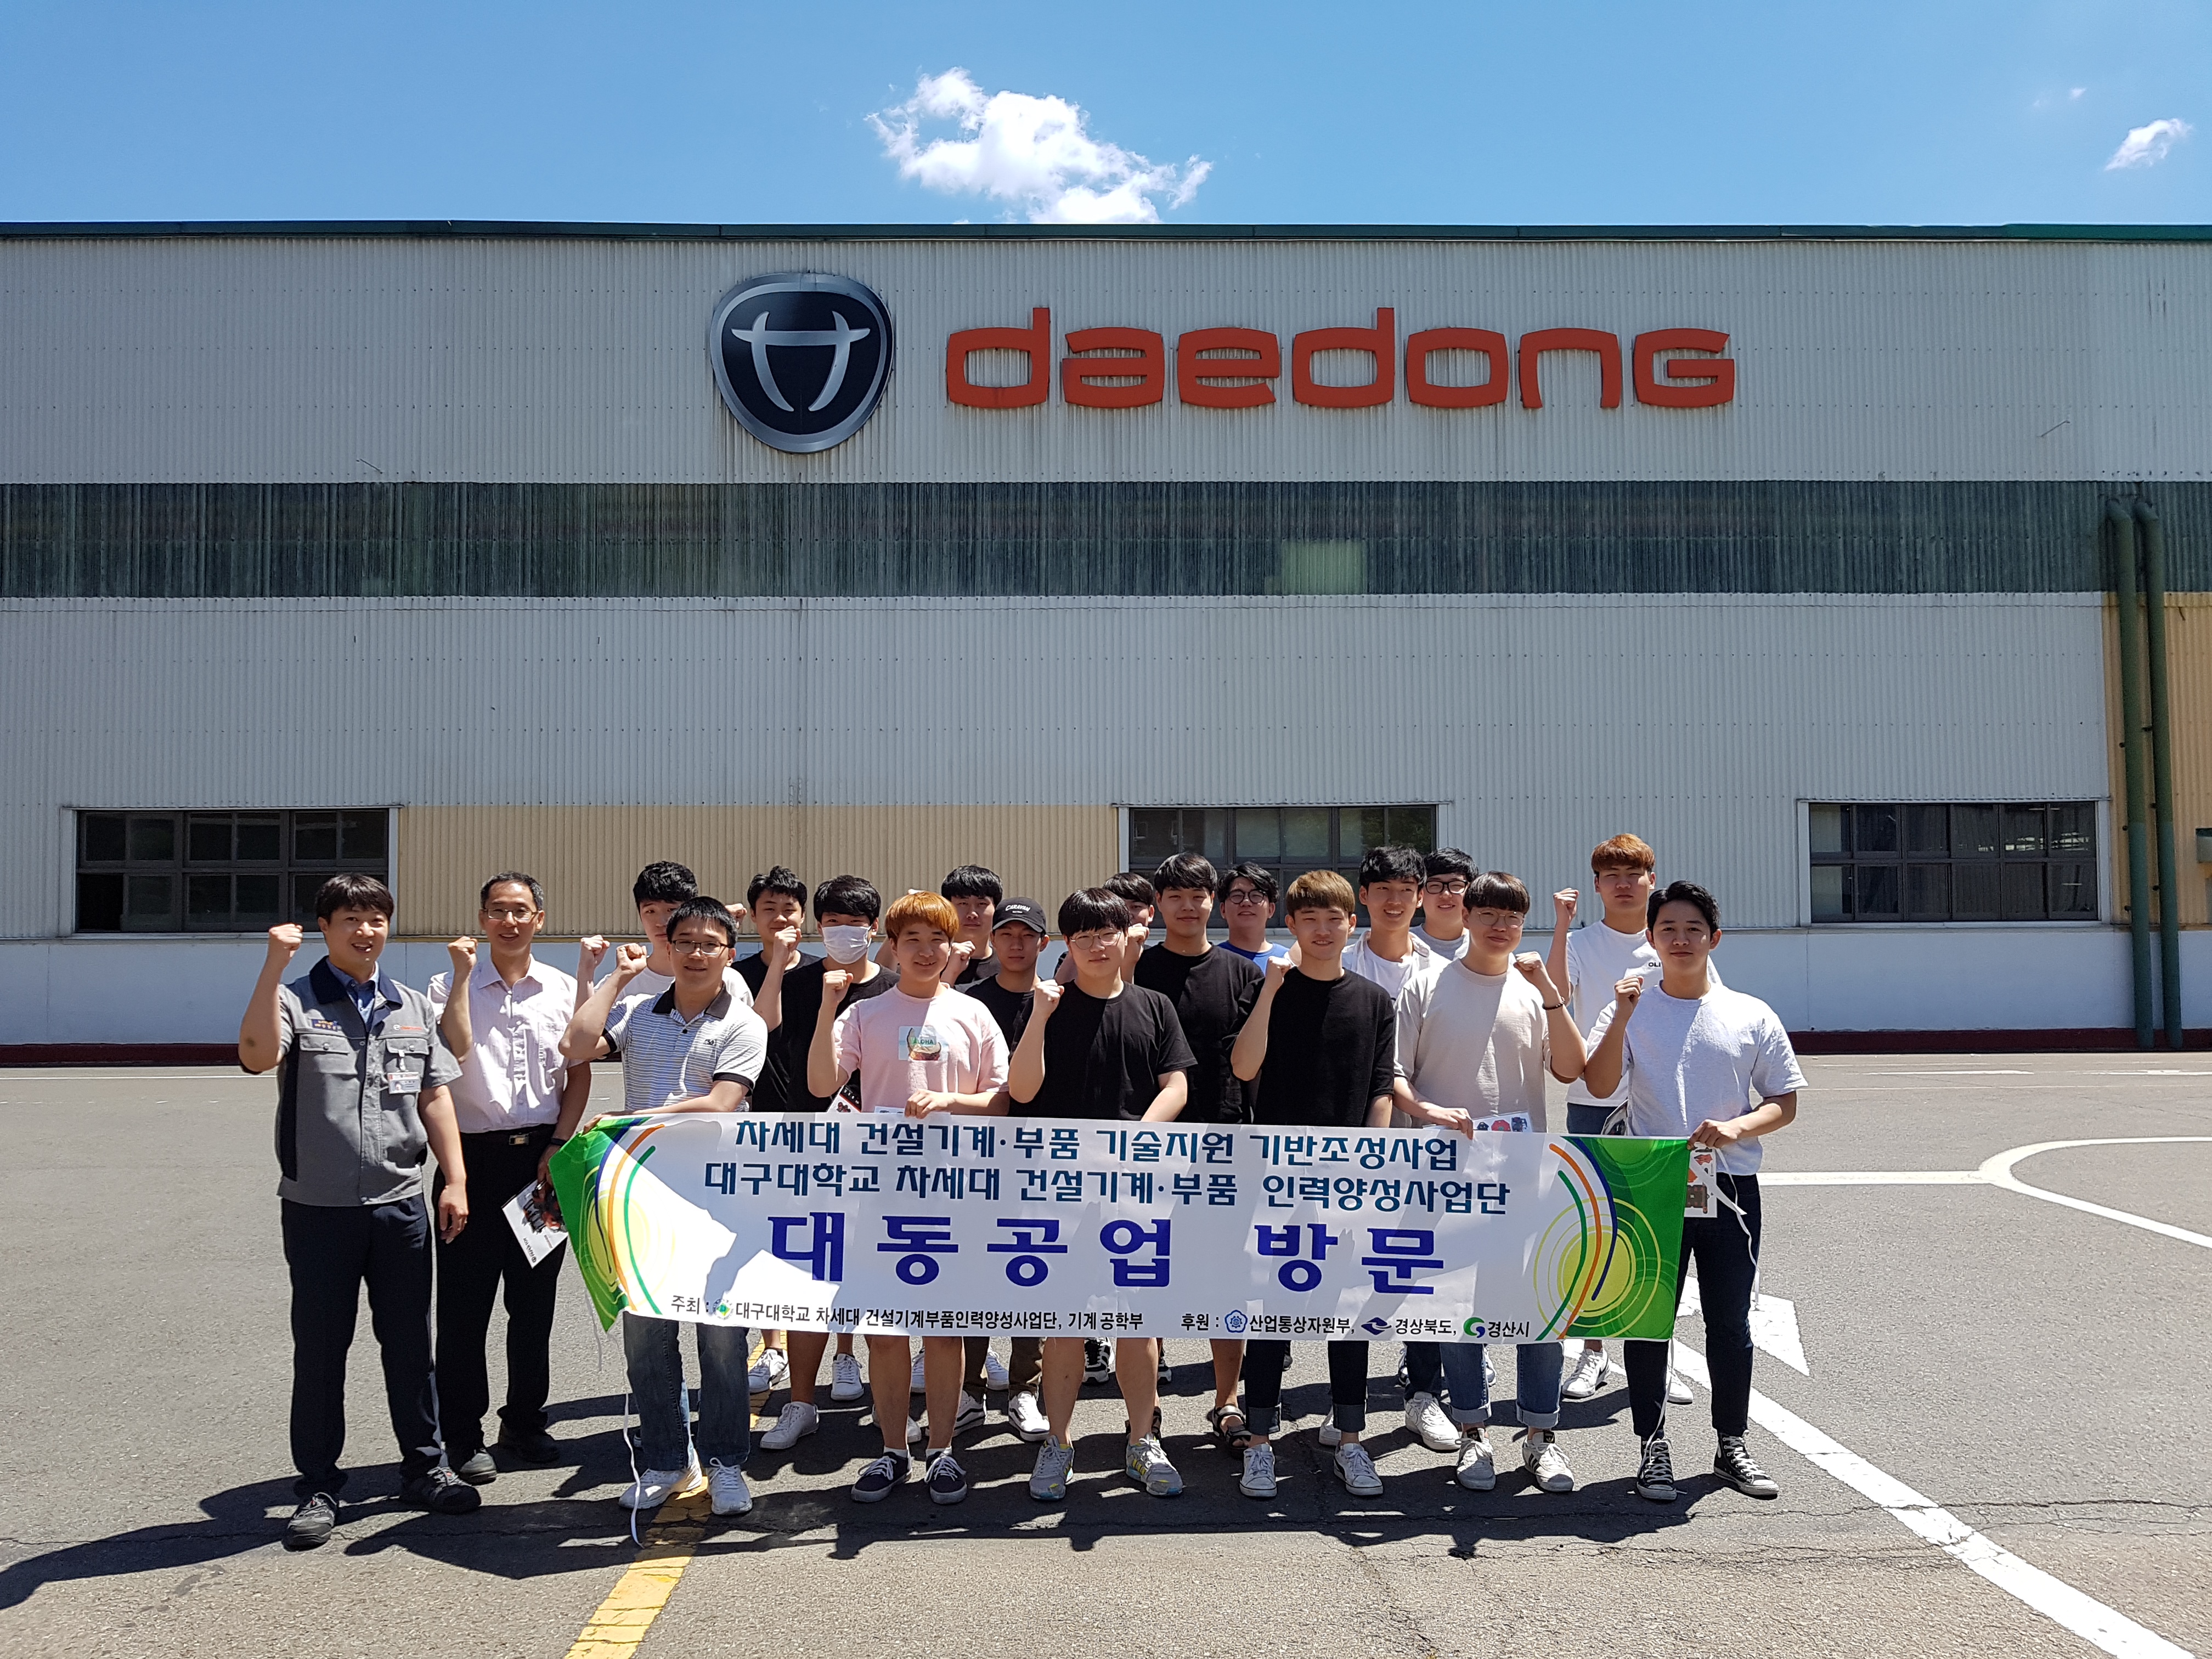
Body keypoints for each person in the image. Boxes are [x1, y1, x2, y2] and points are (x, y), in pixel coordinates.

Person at [237, 874, 481, 1549]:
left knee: (410, 1346)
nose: (365, 931)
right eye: (350, 919)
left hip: (399, 1203)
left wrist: (456, 1181)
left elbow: (435, 1095)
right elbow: (257, 1056)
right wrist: (273, 965)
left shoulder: (409, 1005)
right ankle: (319, 1486)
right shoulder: (295, 999)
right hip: (319, 1209)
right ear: (325, 927)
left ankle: (425, 1469)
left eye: (376, 919)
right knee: (321, 1350)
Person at [1582, 881, 1804, 1506]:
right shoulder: (1630, 1007)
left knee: (1729, 1321)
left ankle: (1732, 1443)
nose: (1680, 940)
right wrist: (1621, 1014)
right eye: (1668, 930)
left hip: (1729, 1185)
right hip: (1652, 1184)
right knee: (1648, 1320)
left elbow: (1784, 1102)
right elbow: (1598, 1084)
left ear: (1715, 938)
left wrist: (1737, 1127)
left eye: (1693, 930)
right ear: (1651, 939)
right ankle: (1652, 1447)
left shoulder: (1750, 1013)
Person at [558, 897, 769, 1518]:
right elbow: (575, 1044)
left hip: (720, 1199)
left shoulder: (744, 1023)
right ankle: (668, 1461)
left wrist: (634, 1117)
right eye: (685, 943)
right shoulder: (635, 1012)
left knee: (723, 1340)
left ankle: (727, 1463)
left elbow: (722, 1103)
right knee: (647, 1336)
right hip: (641, 1198)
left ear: (729, 953)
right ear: (667, 949)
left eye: (710, 944)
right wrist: (617, 979)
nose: (697, 954)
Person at [808, 890, 1010, 1505]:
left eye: (936, 940)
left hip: (954, 1191)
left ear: (953, 948)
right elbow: (822, 1082)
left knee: (944, 1330)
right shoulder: (865, 1012)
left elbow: (1002, 1099)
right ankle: (893, 1450)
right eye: (912, 941)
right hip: (879, 1192)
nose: (925, 952)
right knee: (886, 1331)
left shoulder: (973, 1013)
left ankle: (942, 1451)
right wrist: (827, 1006)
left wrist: (951, 1101)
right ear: (891, 947)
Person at [1398, 872, 1589, 1494]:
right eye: (1489, 914)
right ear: (1466, 916)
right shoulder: (1426, 984)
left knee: (1538, 1306)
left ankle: (1540, 1437)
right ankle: (1473, 1433)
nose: (1501, 926)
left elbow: (1571, 1068)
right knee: (1460, 1308)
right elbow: (1395, 1075)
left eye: (1513, 917)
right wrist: (1430, 1113)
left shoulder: (1533, 989)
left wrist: (1552, 994)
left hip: (1526, 1173)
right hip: (1447, 1172)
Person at [1009, 888, 1195, 1502]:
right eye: (1082, 937)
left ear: (1126, 936)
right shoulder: (1046, 1006)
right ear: (1066, 944)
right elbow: (1023, 1091)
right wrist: (1040, 1015)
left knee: (1138, 1323)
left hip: (1137, 1189)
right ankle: (1059, 1443)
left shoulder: (1154, 1005)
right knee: (1064, 1323)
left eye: (1105, 934)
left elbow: (1176, 1084)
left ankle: (1142, 1440)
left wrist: (1138, 1139)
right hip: (1060, 1190)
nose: (1094, 946)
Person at [1228, 870, 1398, 1500]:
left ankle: (1351, 1439)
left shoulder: (1375, 1001)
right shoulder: (1268, 987)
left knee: (1347, 1313)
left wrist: (1369, 1165)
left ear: (1352, 923)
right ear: (1291, 925)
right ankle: (1259, 1442)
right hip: (1275, 1180)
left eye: (1334, 919)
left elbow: (1380, 1089)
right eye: (1310, 920)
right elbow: (1244, 1065)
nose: (1323, 931)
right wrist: (1272, 990)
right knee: (1272, 1311)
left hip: (1347, 1181)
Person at [424, 872, 585, 1485]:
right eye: (498, 911)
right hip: (469, 1163)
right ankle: (463, 1435)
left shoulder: (563, 990)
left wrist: (558, 1147)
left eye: (521, 911)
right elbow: (455, 1053)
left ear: (539, 918)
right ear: (482, 919)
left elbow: (578, 1075)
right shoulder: (447, 985)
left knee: (533, 1303)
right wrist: (465, 977)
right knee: (464, 1309)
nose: (509, 922)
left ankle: (524, 1421)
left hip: (539, 1163)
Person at [1545, 833, 1699, 1408]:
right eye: (1612, 875)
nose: (1624, 884)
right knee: (1594, 1230)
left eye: (1634, 874)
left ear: (1652, 880)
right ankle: (1592, 1352)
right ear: (1597, 886)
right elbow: (1553, 996)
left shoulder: (1670, 938)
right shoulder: (1580, 943)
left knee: (1660, 1230)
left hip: (1662, 1104)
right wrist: (1561, 927)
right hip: (1594, 1097)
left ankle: (1659, 1352)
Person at [754, 876, 895, 1452]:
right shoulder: (797, 982)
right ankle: (801, 1402)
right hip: (808, 1150)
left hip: (881, 1158)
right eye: (833, 923)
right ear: (818, 926)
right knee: (806, 1278)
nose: (844, 932)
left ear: (873, 928)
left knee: (879, 1278)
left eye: (855, 923)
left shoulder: (893, 988)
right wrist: (780, 966)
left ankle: (880, 1397)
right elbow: (761, 1028)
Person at [1136, 853, 1263, 1454]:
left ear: (1213, 901)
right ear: (1158, 903)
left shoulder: (1243, 974)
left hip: (1225, 1139)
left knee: (1224, 1275)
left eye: (1198, 896)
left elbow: (1258, 1063)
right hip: (1150, 1143)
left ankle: (1227, 1399)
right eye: (1176, 896)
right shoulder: (1137, 968)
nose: (1188, 907)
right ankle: (1150, 1403)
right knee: (1150, 1271)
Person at [1340, 844, 1452, 1441]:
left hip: (1423, 1132)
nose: (1394, 900)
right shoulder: (1340, 960)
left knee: (1419, 1260)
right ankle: (1347, 1402)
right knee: (1352, 1264)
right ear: (1364, 897)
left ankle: (1423, 1391)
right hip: (1353, 1131)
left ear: (1421, 897)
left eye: (1406, 890)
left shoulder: (1442, 970)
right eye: (1382, 889)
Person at [949, 896, 1052, 1438]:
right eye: (1007, 934)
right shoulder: (968, 1002)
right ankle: (969, 1389)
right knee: (973, 1273)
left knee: (1029, 1272)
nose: (1016, 944)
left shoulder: (1056, 1001)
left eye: (1026, 935)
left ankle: (1024, 1389)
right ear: (995, 939)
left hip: (1039, 1157)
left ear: (1043, 943)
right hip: (974, 1157)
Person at [733, 865, 809, 1392]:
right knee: (762, 1239)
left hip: (820, 1125)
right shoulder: (737, 975)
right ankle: (774, 1345)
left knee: (820, 1240)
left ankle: (840, 1352)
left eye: (790, 910)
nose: (781, 919)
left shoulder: (829, 972)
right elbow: (760, 1032)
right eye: (770, 910)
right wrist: (777, 965)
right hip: (758, 1124)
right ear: (755, 917)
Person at [1216, 861, 1291, 969]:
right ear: (1223, 910)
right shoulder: (1212, 962)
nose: (1246, 902)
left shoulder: (1289, 961)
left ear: (1271, 909)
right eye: (1237, 896)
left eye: (1256, 896)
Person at [942, 863, 1003, 986]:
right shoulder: (930, 962)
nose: (972, 914)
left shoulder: (1009, 966)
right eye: (963, 903)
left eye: (982, 904)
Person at [1413, 847, 1476, 961]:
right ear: (1420, 894)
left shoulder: (1487, 945)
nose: (1446, 894)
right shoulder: (1401, 944)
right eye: (1435, 885)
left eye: (1456, 885)